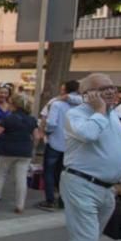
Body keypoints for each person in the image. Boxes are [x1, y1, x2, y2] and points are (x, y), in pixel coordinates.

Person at [59, 73, 121, 241]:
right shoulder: (75, 115)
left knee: (86, 239)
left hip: (106, 187)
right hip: (81, 184)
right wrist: (99, 111)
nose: (110, 92)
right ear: (87, 94)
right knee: (86, 240)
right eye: (102, 89)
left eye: (112, 87)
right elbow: (88, 135)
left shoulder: (113, 116)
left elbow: (116, 147)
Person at [37, 80, 81, 211]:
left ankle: (50, 199)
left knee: (49, 171)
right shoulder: (82, 104)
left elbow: (51, 123)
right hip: (72, 143)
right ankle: (63, 199)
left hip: (55, 142)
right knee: (64, 173)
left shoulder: (56, 104)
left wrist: (47, 133)